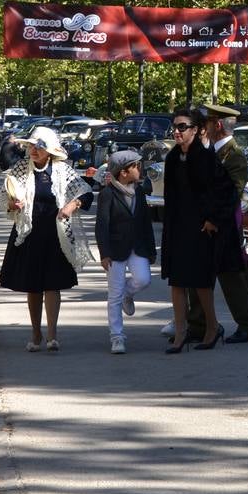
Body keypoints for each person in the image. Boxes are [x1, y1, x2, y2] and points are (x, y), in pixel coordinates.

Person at [0, 126, 91, 351]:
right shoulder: (20, 168)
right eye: (31, 146)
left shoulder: (61, 170)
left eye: (39, 147)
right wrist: (12, 204)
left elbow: (85, 192)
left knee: (52, 285)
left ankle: (52, 335)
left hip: (55, 234)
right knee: (33, 286)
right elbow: (5, 195)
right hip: (28, 232)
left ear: (49, 151)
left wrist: (72, 204)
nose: (34, 150)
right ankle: (35, 333)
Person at [185, 104, 248, 343]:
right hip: (205, 225)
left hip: (223, 227)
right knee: (198, 275)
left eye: (207, 123)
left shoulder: (233, 154)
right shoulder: (213, 152)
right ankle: (198, 326)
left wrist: (214, 220)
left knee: (231, 278)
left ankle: (246, 326)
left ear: (217, 125)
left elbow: (232, 193)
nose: (203, 128)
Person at [159, 107, 230, 353]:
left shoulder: (207, 157)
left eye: (182, 127)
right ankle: (181, 333)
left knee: (201, 283)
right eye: (175, 127)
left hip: (201, 229)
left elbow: (225, 192)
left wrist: (212, 220)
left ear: (197, 130)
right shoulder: (171, 158)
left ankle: (212, 327)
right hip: (177, 227)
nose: (177, 131)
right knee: (177, 282)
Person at [96, 149, 155, 354]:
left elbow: (146, 222)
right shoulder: (107, 194)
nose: (140, 169)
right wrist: (104, 253)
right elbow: (102, 225)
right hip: (115, 250)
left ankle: (127, 295)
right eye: (136, 166)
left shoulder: (139, 191)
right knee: (114, 294)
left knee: (144, 279)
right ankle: (117, 337)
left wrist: (151, 249)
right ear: (124, 172)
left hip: (137, 246)